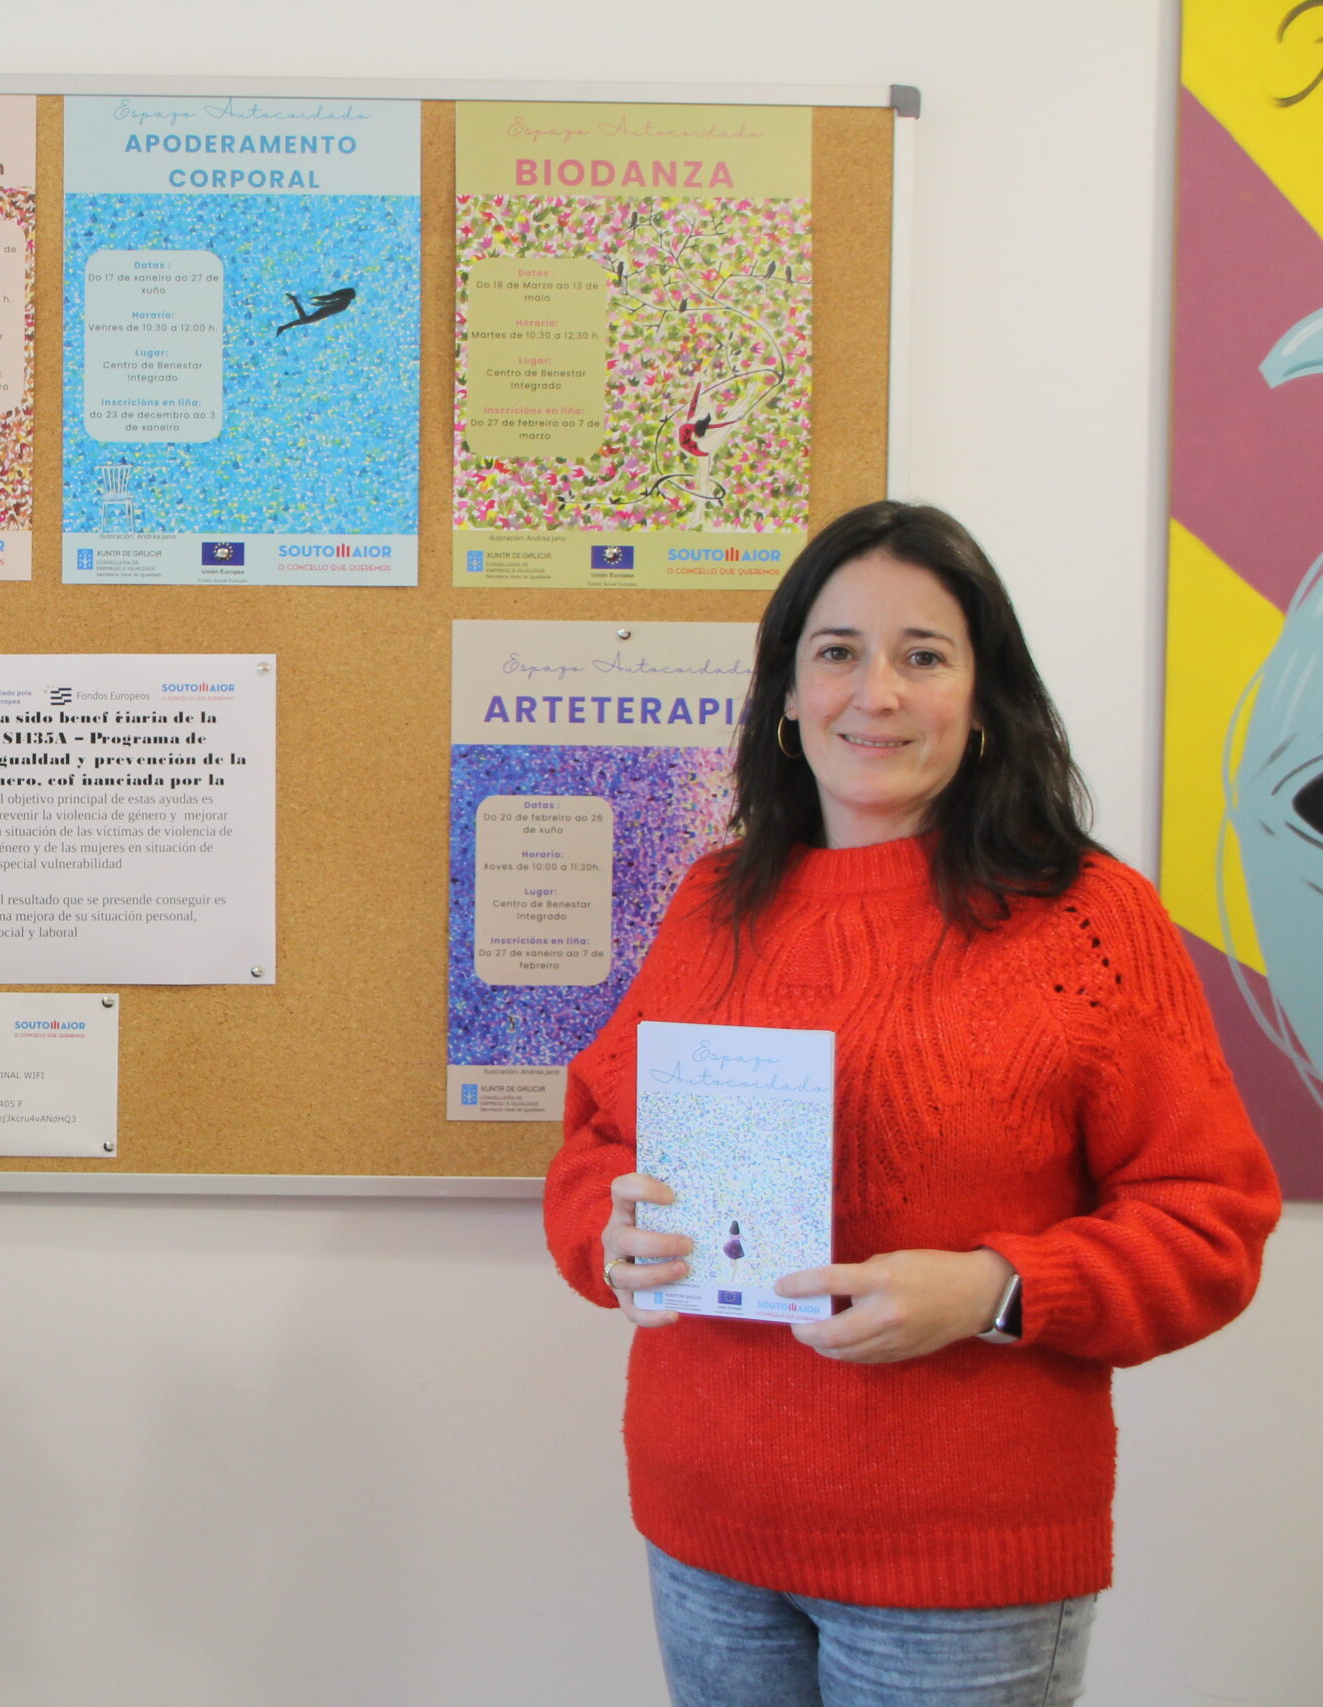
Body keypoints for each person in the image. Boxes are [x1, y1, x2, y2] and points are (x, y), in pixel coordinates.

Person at [543, 501, 1281, 1706]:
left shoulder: (1089, 919)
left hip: (959, 1568)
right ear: (785, 693)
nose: (872, 692)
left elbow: (1210, 1225)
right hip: (704, 1533)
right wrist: (604, 1236)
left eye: (922, 655)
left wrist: (993, 1292)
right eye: (834, 651)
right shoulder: (713, 899)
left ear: (984, 699)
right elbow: (598, 1143)